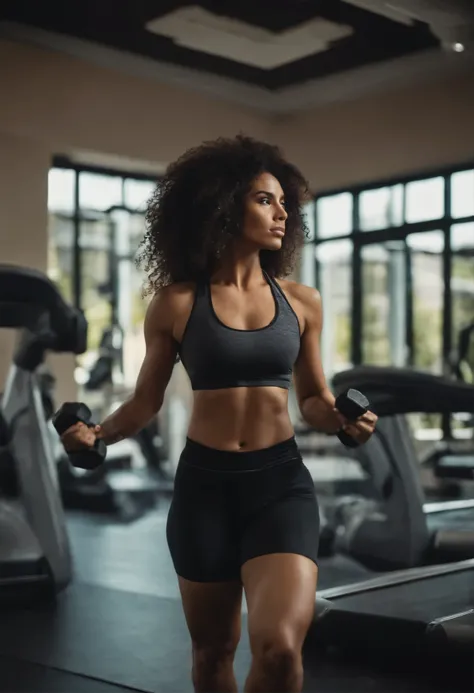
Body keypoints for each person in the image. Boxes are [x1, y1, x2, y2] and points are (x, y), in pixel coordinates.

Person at [60, 135, 378, 693]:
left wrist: (343, 420)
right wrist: (97, 436)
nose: (281, 212)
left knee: (279, 650)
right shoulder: (179, 303)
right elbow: (145, 402)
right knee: (212, 655)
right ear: (225, 205)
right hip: (205, 490)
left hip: (280, 487)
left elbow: (312, 399)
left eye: (284, 203)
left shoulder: (301, 302)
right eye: (264, 200)